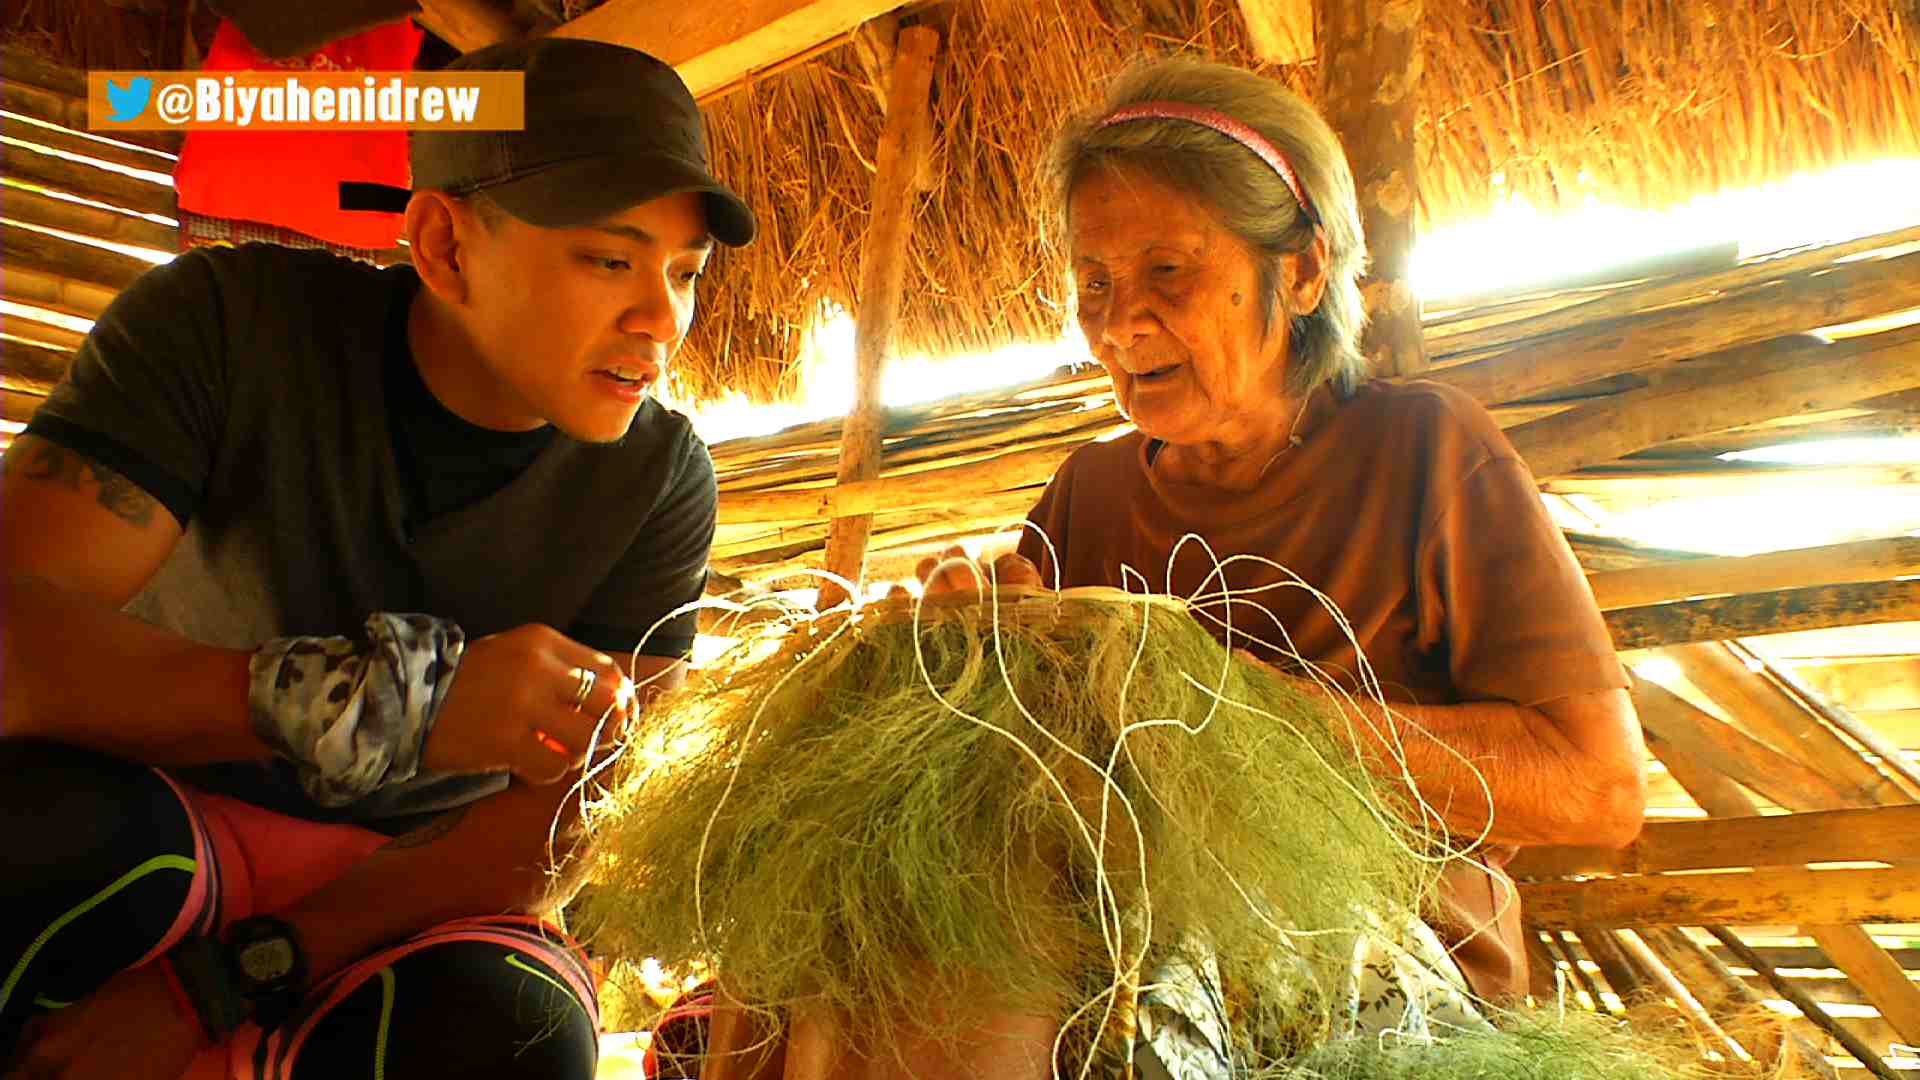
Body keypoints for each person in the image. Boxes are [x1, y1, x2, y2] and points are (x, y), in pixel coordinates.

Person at [0, 37, 754, 1080]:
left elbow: (569, 816)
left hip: (410, 894)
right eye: (609, 260)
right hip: (163, 817)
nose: (662, 318)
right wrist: (387, 707)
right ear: (444, 245)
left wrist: (222, 984)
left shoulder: (660, 482)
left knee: (515, 1035)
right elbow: (15, 643)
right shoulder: (227, 325)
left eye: (685, 272)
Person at [905, 55, 1648, 1075]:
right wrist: (968, 661)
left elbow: (1599, 788)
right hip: (1128, 956)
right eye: (1095, 283)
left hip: (1396, 992)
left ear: (1300, 271)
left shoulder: (1426, 452)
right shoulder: (1090, 492)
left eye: (1169, 272)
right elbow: (1030, 783)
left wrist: (1250, 719)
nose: (1120, 324)